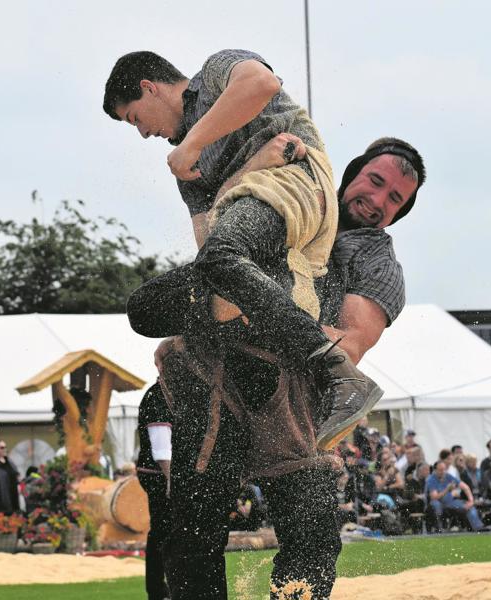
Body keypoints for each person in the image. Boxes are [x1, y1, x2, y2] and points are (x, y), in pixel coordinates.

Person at [127, 135, 425, 598]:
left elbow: (348, 344)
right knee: (189, 528)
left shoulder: (375, 260)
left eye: (394, 200)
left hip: (287, 394)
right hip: (208, 377)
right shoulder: (291, 196)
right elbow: (213, 237)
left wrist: (257, 309)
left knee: (313, 536)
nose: (378, 201)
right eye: (376, 181)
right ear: (351, 176)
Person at [105, 50, 420, 456]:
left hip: (289, 188)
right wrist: (251, 164)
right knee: (146, 308)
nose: (144, 133)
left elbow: (261, 84)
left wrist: (195, 146)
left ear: (150, 88)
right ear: (354, 173)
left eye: (135, 119)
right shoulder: (190, 168)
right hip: (255, 253)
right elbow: (212, 254)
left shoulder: (217, 71)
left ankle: (336, 373)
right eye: (375, 181)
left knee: (224, 263)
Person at [135, 384, 174, 600]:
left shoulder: (159, 393)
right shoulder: (159, 395)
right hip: (159, 473)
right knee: (164, 531)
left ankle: (160, 588)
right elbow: (161, 448)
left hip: (156, 472)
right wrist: (170, 479)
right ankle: (160, 590)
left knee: (162, 530)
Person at [424, 460, 485, 532]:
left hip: (449, 502)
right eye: (440, 470)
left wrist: (471, 500)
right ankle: (439, 528)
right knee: (436, 505)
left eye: (444, 469)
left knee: (468, 505)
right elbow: (434, 497)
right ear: (435, 470)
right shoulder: (431, 480)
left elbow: (465, 487)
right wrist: (447, 489)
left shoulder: (448, 476)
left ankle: (478, 527)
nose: (443, 472)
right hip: (436, 503)